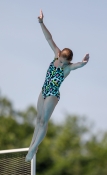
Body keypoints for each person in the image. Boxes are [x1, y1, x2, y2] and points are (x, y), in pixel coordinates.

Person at [25, 10, 89, 162]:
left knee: (43, 122)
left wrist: (84, 63)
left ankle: (34, 148)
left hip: (53, 94)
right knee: (38, 119)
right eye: (60, 61)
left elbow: (78, 65)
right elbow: (49, 38)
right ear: (59, 56)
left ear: (68, 63)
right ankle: (32, 145)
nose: (61, 65)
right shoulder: (56, 53)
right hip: (44, 90)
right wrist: (41, 22)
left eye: (64, 63)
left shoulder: (68, 68)